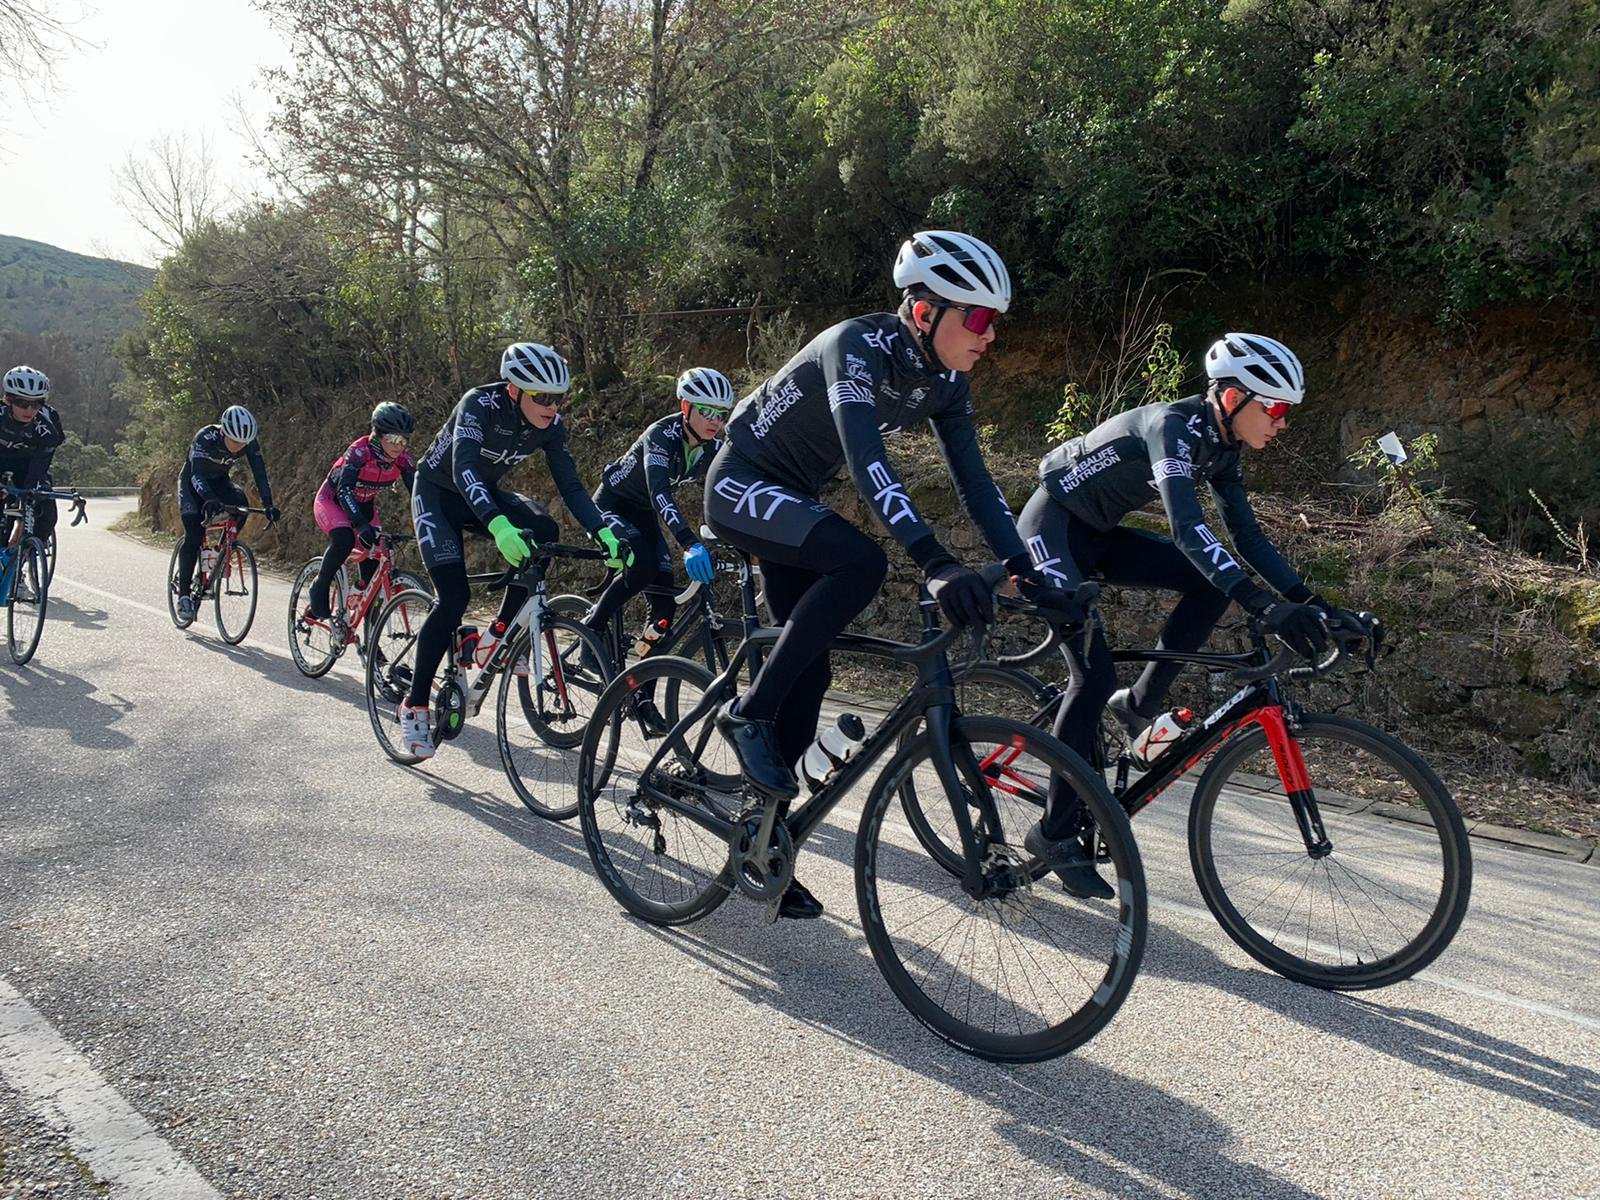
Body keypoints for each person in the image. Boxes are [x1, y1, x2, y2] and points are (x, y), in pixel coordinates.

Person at [703, 229, 1057, 920]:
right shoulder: (854, 347)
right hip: (741, 485)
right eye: (978, 318)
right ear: (924, 311)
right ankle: (744, 716)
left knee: (809, 678)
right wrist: (934, 562)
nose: (990, 336)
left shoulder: (946, 382)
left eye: (996, 322)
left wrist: (1025, 563)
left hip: (794, 501)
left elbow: (977, 484)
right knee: (860, 560)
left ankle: (765, 844)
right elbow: (869, 464)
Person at [1017, 332, 1368, 898]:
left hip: (1098, 534)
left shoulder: (1221, 447)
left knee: (1210, 588)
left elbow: (1245, 537)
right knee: (1092, 674)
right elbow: (1186, 527)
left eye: (1287, 412)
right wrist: (1262, 604)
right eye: (1274, 408)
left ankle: (1137, 706)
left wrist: (1310, 603)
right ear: (1231, 398)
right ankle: (1053, 833)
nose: (1281, 423)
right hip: (1051, 530)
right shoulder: (1171, 429)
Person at [399, 341, 634, 762]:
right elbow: (463, 467)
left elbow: (572, 486)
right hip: (439, 494)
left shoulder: (551, 425)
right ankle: (414, 703)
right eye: (542, 397)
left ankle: (496, 635)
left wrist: (605, 532)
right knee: (454, 598)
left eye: (558, 398)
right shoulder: (480, 404)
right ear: (513, 390)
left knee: (543, 528)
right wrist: (499, 524)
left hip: (482, 495)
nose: (551, 406)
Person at [583, 366, 732, 716]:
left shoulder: (714, 446)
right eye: (707, 411)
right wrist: (688, 542)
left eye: (722, 414)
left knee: (665, 608)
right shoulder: (661, 435)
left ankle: (642, 696)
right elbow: (660, 493)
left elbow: (725, 492)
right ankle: (592, 631)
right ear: (686, 408)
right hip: (611, 506)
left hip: (643, 512)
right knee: (644, 564)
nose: (715, 420)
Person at [306, 402, 418, 629]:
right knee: (345, 539)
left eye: (404, 440)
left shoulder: (403, 460)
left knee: (374, 570)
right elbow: (344, 490)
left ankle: (369, 637)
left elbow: (420, 495)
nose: (400, 446)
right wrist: (359, 524)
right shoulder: (359, 452)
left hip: (365, 506)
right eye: (394, 440)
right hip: (333, 501)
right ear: (379, 434)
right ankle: (320, 584)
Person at [174, 405, 279, 621]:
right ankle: (184, 596)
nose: (239, 447)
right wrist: (210, 499)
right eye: (235, 442)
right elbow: (197, 475)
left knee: (241, 506)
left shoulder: (247, 442)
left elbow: (260, 475)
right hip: (193, 483)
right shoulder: (206, 437)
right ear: (223, 433)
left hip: (220, 482)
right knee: (193, 535)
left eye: (243, 444)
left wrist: (269, 504)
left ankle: (220, 552)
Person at [0, 365, 66, 549]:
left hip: (30, 464)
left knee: (46, 514)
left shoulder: (48, 422)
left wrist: (30, 491)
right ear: (7, 400)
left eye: (36, 403)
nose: (29, 409)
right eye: (22, 403)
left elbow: (42, 462)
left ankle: (24, 552)